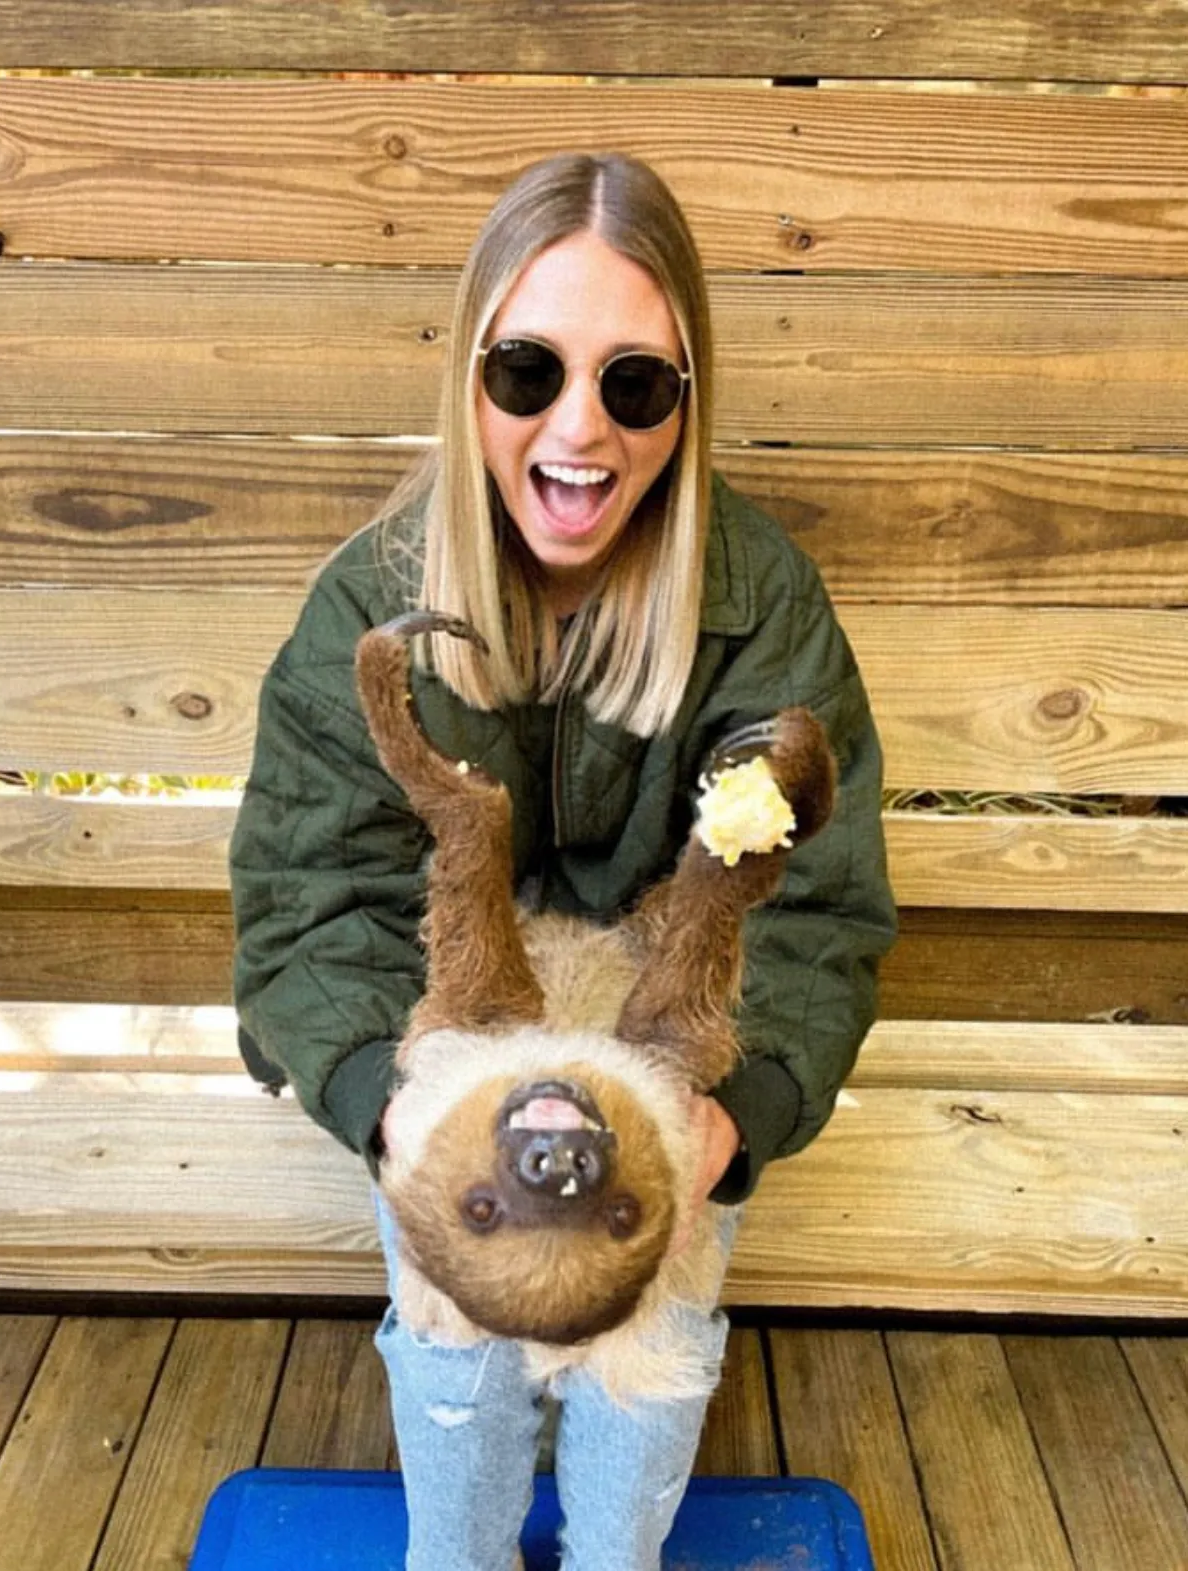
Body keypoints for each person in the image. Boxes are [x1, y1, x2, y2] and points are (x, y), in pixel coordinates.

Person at [229, 151, 897, 1571]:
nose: (578, 429)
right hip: (461, 1027)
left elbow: (811, 900)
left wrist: (738, 1110)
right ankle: (453, 1556)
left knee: (665, 1301)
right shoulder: (371, 598)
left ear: (684, 399)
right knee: (446, 1284)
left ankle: (615, 1554)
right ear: (472, 376)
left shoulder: (758, 596)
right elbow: (311, 892)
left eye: (634, 384)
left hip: (661, 1036)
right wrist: (379, 1096)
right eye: (529, 371)